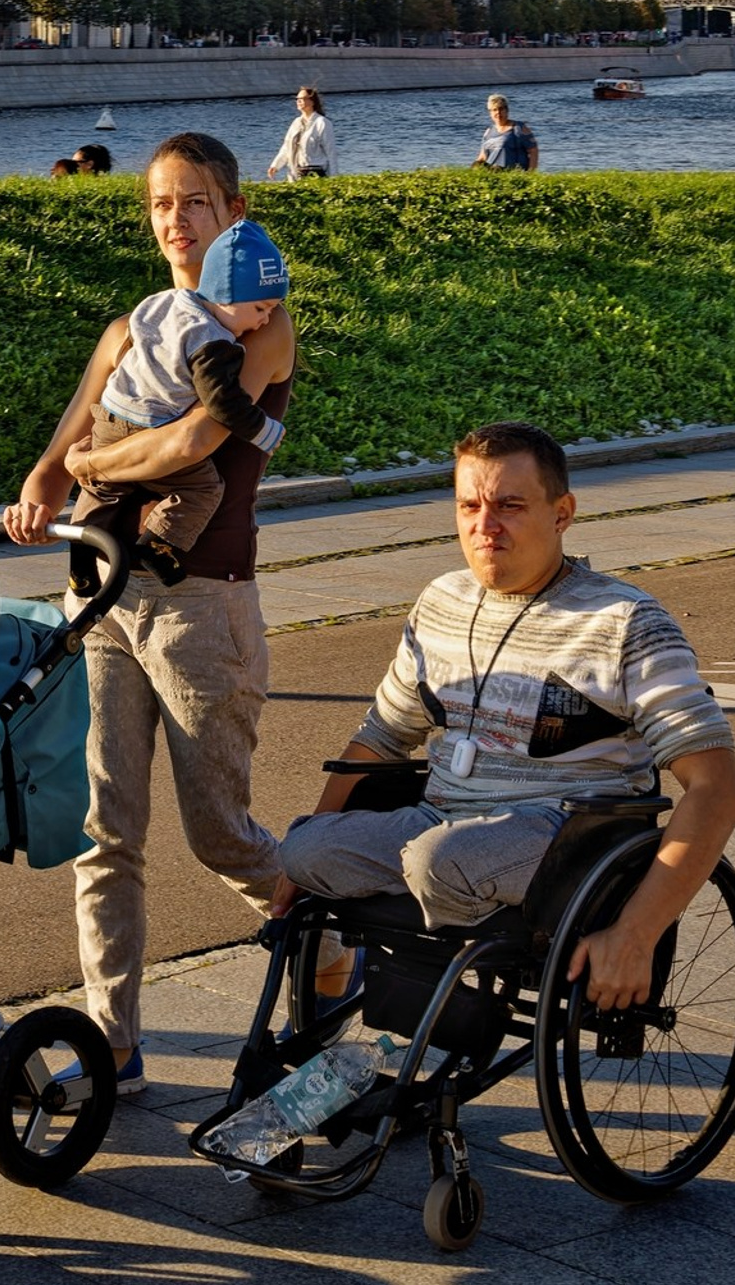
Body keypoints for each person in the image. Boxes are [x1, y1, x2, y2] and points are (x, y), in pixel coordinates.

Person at [5, 132, 296, 1089]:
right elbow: (76, 421)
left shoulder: (260, 324)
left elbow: (194, 442)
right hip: (100, 594)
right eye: (163, 205)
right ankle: (113, 1038)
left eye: (196, 203)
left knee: (218, 830)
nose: (176, 221)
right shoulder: (134, 324)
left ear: (234, 212)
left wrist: (92, 466)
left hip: (200, 606)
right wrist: (47, 480)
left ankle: (323, 932)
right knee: (104, 830)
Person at [275, 420, 735, 1012]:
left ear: (562, 513)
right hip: (440, 820)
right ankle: (416, 964)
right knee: (300, 848)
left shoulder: (626, 622)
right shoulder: (441, 600)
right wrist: (310, 855)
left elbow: (716, 785)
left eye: (510, 506)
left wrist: (636, 932)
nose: (484, 526)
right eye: (470, 505)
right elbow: (382, 736)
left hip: (565, 832)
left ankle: (449, 985)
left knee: (438, 862)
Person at [68, 218, 289, 592]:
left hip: (109, 414)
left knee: (104, 490)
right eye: (260, 309)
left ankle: (81, 556)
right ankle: (157, 546)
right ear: (227, 294)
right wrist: (263, 429)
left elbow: (136, 331)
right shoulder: (214, 341)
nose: (266, 320)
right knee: (202, 489)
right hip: (150, 425)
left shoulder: (163, 303)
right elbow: (222, 404)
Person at [267, 85, 337, 179]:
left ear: (312, 102)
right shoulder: (296, 122)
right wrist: (275, 165)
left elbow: (331, 152)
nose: (299, 101)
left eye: (303, 98)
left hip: (316, 172)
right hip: (297, 172)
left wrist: (334, 177)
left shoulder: (322, 123)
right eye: (297, 99)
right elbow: (286, 147)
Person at [472, 93, 538, 171]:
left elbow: (533, 151)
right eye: (494, 110)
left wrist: (530, 173)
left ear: (507, 110)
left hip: (514, 174)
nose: (498, 113)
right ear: (490, 113)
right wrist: (475, 167)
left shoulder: (519, 128)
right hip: (493, 174)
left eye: (501, 109)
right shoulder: (488, 132)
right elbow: (483, 156)